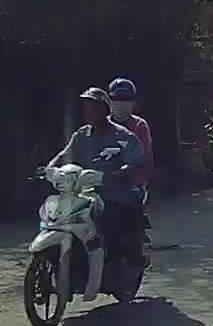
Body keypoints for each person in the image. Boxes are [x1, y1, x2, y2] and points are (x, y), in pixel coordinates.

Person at [47, 87, 148, 266]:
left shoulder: (123, 136)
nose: (89, 112)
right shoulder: (81, 135)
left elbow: (135, 164)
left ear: (105, 110)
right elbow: (65, 154)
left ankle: (122, 258)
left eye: (94, 107)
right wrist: (51, 167)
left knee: (114, 219)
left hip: (115, 191)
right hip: (83, 191)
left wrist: (112, 175)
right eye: (86, 107)